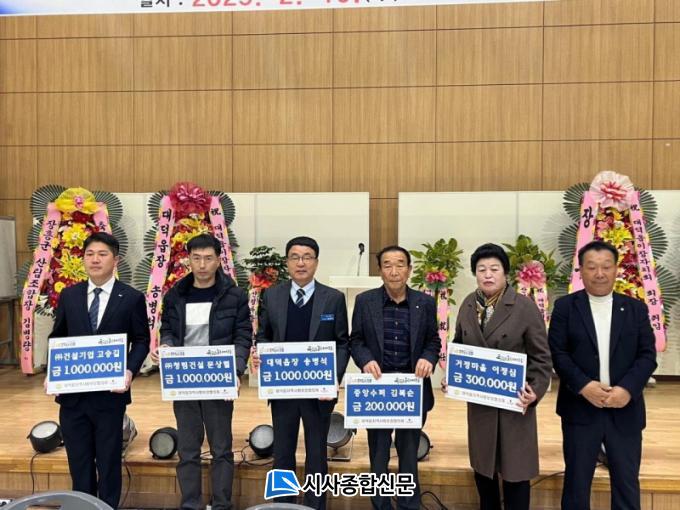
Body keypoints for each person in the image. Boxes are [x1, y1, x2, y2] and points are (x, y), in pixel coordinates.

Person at [443, 243, 552, 510]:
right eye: (482, 269)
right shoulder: (468, 304)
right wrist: (453, 375)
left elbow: (542, 358)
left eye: (494, 269)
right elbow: (459, 345)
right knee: (484, 474)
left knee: (516, 474)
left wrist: (535, 391)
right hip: (481, 405)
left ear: (505, 273)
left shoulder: (524, 307)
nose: (488, 274)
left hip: (514, 405)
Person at [549, 240, 657, 510]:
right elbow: (558, 353)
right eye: (592, 267)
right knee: (576, 484)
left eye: (606, 266)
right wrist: (584, 386)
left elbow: (647, 355)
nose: (599, 273)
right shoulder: (565, 307)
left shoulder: (635, 309)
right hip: (580, 408)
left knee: (626, 483)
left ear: (616, 269)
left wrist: (627, 390)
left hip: (625, 410)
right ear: (581, 270)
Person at [47, 232, 150, 509]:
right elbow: (58, 338)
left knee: (108, 462)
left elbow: (141, 340)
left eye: (102, 254)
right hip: (73, 398)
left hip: (109, 397)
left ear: (115, 260)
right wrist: (53, 372)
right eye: (90, 254)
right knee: (79, 463)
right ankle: (82, 506)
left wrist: (129, 371)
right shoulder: (69, 295)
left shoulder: (131, 297)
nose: (95, 259)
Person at [151, 233, 251, 510]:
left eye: (208, 258)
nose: (203, 264)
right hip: (184, 380)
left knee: (221, 449)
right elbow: (168, 329)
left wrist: (236, 370)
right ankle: (190, 504)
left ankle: (222, 505)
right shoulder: (175, 295)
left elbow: (243, 336)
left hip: (218, 380)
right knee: (187, 450)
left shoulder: (234, 296)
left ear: (219, 260)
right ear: (189, 261)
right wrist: (166, 345)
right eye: (197, 258)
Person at [251, 236, 349, 510]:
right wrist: (261, 353)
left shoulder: (333, 298)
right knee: (283, 453)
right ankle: (283, 505)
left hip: (319, 392)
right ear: (287, 262)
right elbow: (264, 335)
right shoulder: (272, 295)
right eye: (295, 257)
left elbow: (343, 343)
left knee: (317, 454)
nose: (301, 262)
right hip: (283, 389)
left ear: (316, 262)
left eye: (307, 257)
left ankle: (316, 506)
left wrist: (333, 378)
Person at [349, 245, 440, 510]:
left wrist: (428, 358)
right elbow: (356, 340)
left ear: (409, 270)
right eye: (387, 265)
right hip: (378, 390)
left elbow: (433, 340)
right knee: (378, 454)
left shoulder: (425, 302)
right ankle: (381, 505)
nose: (394, 270)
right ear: (380, 271)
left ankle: (409, 505)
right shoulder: (365, 301)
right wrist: (365, 360)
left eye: (400, 264)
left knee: (409, 454)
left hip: (412, 390)